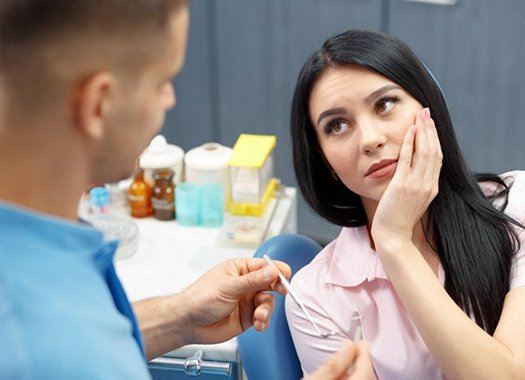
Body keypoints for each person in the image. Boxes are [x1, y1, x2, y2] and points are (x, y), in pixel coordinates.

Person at [0, 1, 368, 378]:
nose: (171, 100)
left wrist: (180, 317)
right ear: (99, 105)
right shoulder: (35, 343)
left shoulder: (41, 261)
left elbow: (76, 338)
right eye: (162, 82)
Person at [286, 29, 525, 379]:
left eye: (384, 104)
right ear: (325, 163)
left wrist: (394, 241)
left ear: (429, 107)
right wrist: (392, 238)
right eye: (337, 125)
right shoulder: (316, 299)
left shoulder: (515, 204)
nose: (370, 139)